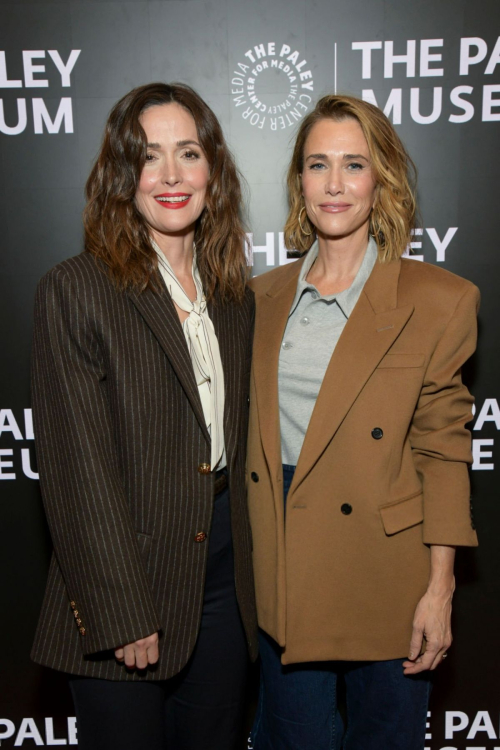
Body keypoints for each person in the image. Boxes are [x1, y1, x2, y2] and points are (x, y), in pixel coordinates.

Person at [247, 94, 479, 750]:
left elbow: (443, 449)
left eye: (354, 164)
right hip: (285, 568)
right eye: (318, 165)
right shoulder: (258, 299)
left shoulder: (439, 299)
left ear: (382, 179)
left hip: (389, 577)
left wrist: (440, 589)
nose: (335, 183)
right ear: (300, 182)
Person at [31, 82, 257, 750]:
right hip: (125, 577)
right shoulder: (76, 289)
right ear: (121, 174)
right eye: (148, 156)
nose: (170, 176)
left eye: (187, 153)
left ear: (212, 169)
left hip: (222, 577)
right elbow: (76, 474)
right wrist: (120, 610)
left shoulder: (234, 296)